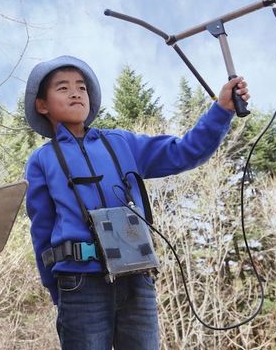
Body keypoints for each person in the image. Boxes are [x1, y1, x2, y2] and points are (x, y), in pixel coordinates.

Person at [23, 55, 250, 350]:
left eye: (81, 86)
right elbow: (41, 229)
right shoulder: (41, 159)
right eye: (63, 88)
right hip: (78, 282)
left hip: (137, 276)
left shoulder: (122, 142)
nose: (76, 92)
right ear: (43, 105)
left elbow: (185, 152)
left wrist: (221, 111)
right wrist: (57, 291)